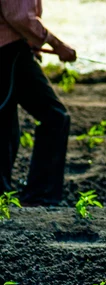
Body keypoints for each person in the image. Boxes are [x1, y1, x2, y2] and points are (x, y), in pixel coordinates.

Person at [0, 0, 76, 206]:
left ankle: (4, 193)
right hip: (9, 52)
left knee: (6, 122)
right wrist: (56, 44)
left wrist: (33, 45)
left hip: (12, 50)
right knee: (55, 116)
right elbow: (19, 16)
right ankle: (40, 196)